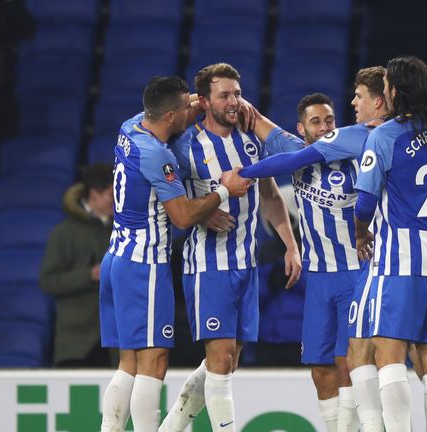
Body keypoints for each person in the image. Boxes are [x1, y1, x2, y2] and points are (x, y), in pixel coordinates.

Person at [237, 67, 395, 432]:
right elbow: (259, 122)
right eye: (316, 122)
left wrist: (242, 174)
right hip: (317, 280)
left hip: (356, 273)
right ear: (301, 129)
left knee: (349, 364)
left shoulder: (358, 151)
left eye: (329, 120)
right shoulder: (295, 151)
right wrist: (232, 99)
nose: (325, 127)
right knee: (321, 367)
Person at [98, 76, 251, 432]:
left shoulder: (130, 128)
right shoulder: (158, 155)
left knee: (128, 364)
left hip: (117, 257)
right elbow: (181, 216)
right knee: (154, 363)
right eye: (187, 107)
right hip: (144, 264)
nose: (192, 111)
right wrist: (224, 191)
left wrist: (189, 103)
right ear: (169, 116)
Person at [158, 63, 301, 432]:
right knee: (220, 359)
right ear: (203, 101)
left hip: (246, 263)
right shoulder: (184, 145)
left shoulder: (250, 140)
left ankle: (170, 427)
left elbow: (270, 194)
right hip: (208, 263)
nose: (234, 102)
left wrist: (290, 244)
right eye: (224, 95)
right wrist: (202, 213)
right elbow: (164, 200)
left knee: (227, 361)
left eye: (237, 93)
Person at [354, 56, 427, 432]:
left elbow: (365, 203)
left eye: (385, 86)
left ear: (395, 91)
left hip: (400, 257)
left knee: (389, 353)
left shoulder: (383, 135)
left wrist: (360, 231)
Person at [40, 163, 115, 367]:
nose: (116, 200)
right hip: (76, 344)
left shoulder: (122, 230)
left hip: (116, 344)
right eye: (111, 193)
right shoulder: (64, 233)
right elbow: (48, 281)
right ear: (95, 193)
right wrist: (89, 275)